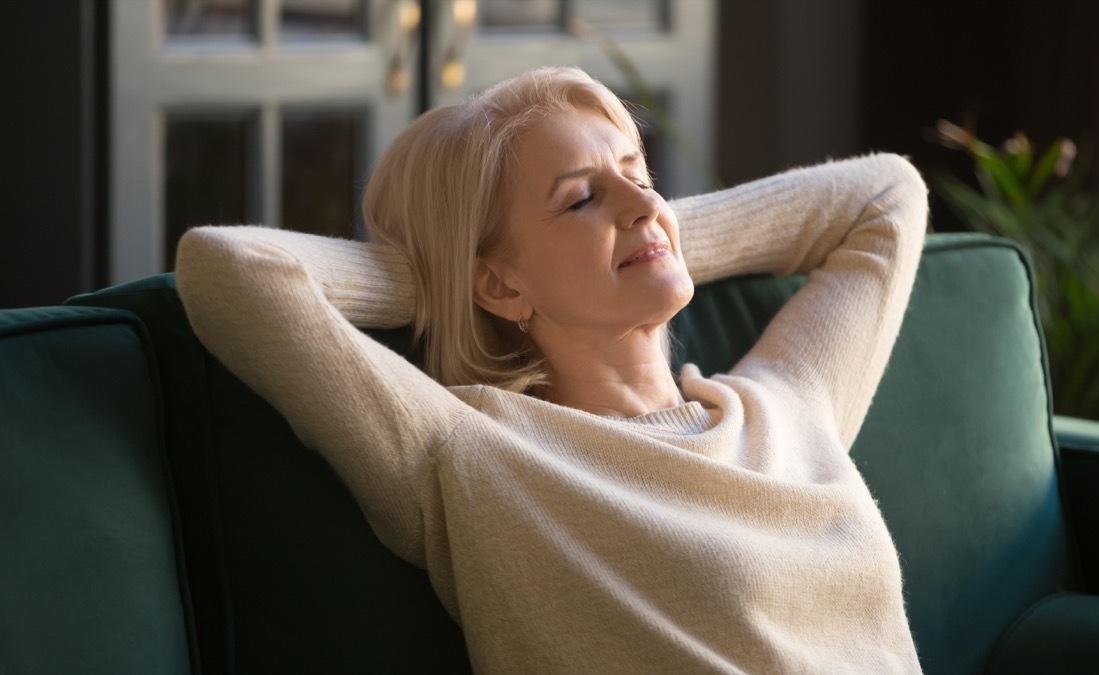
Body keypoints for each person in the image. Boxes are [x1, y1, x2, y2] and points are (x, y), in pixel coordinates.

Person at [175, 66, 928, 673]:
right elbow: (229, 265)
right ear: (499, 285)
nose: (642, 202)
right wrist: (442, 276)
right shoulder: (477, 457)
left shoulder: (786, 404)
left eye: (640, 174)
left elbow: (887, 193)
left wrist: (653, 235)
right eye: (580, 199)